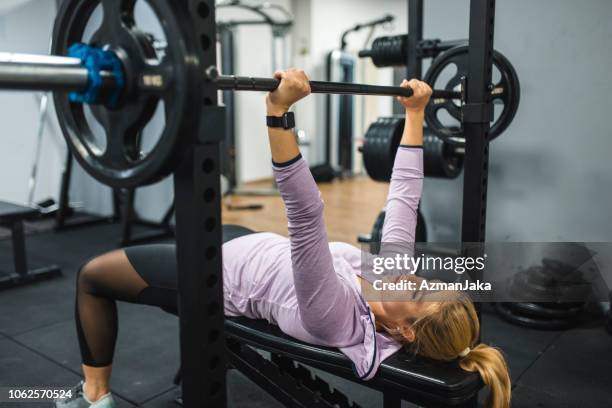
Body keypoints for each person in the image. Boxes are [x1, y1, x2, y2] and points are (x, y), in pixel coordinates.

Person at [56, 70, 510, 408]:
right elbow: (405, 198)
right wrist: (416, 114)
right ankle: (193, 364)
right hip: (248, 246)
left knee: (92, 276)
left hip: (223, 278)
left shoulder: (336, 319)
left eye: (414, 289)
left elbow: (307, 215)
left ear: (405, 330)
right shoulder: (388, 281)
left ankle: (95, 399)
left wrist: (278, 113)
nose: (408, 273)